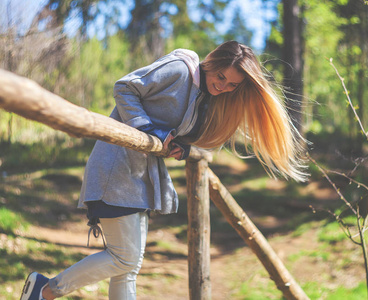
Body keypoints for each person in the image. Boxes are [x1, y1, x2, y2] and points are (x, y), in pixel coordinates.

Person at [20, 40, 308, 300]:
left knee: (128, 267)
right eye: (221, 77)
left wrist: (180, 145)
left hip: (139, 179)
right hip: (115, 169)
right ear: (213, 62)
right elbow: (125, 86)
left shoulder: (202, 96)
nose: (223, 87)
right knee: (125, 259)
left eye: (232, 85)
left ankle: (44, 290)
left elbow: (172, 127)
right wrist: (145, 129)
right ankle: (44, 291)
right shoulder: (181, 70)